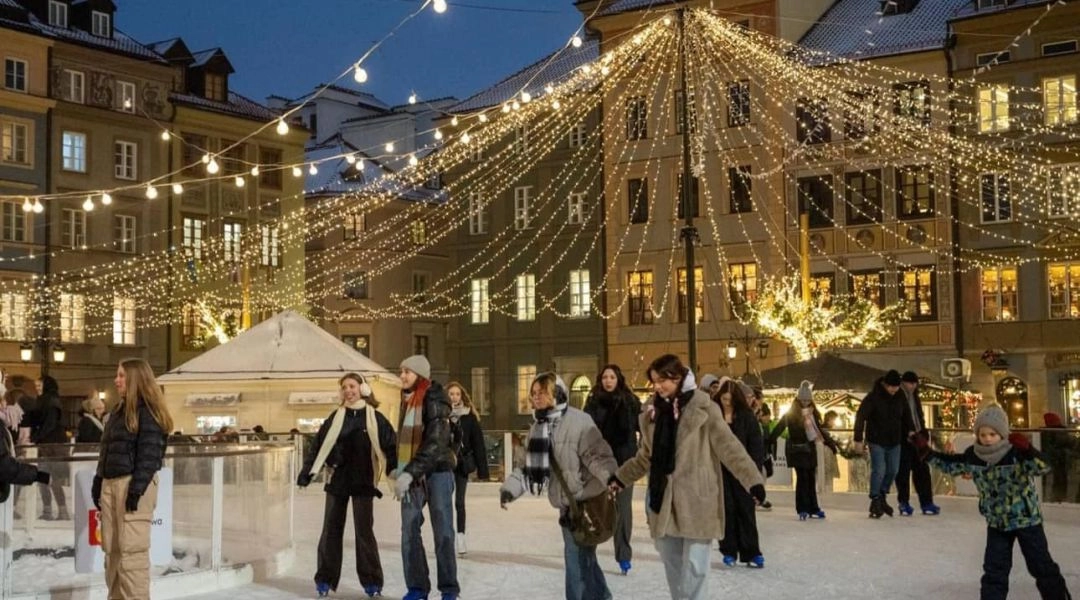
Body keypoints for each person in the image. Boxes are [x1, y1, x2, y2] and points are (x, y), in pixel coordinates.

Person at [609, 354, 765, 600]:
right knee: (673, 567)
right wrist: (620, 478)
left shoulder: (705, 408)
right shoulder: (653, 413)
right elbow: (645, 457)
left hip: (697, 500)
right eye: (655, 381)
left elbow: (729, 447)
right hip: (664, 500)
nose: (658, 386)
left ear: (678, 377)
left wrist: (753, 481)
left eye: (663, 380)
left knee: (694, 568)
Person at [921, 405, 1072, 600]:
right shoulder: (973, 455)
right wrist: (925, 452)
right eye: (983, 434)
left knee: (1041, 565)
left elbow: (1043, 467)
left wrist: (1028, 450)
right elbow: (951, 464)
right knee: (994, 570)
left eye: (992, 434)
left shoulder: (1015, 453)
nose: (987, 439)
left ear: (1002, 434)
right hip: (997, 523)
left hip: (1026, 521)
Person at [500, 372, 617, 600]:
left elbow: (597, 456)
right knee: (584, 559)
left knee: (577, 561)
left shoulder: (579, 421)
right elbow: (526, 466)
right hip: (567, 506)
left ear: (557, 393)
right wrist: (509, 489)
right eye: (533, 394)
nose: (536, 398)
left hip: (588, 502)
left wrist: (611, 477)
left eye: (542, 393)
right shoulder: (538, 427)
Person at [299, 373, 398, 598]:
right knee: (331, 531)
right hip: (338, 482)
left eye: (352, 386)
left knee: (364, 533)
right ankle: (324, 580)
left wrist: (395, 472)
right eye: (344, 387)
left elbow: (390, 445)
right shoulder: (336, 417)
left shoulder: (375, 418)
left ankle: (372, 583)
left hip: (363, 481)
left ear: (362, 389)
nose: (348, 391)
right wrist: (309, 472)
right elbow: (319, 445)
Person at [92, 359, 173, 600]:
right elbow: (106, 449)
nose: (116, 380)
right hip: (111, 484)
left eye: (121, 376)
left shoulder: (148, 412)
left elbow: (150, 454)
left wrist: (136, 489)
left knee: (131, 555)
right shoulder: (119, 411)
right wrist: (99, 479)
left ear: (136, 378)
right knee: (113, 553)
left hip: (132, 485)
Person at [392, 355, 459, 600]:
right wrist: (396, 468)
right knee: (409, 531)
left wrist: (410, 472)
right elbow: (403, 439)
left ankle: (449, 588)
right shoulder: (407, 400)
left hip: (438, 472)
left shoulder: (435, 397)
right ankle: (417, 587)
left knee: (443, 532)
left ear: (419, 375)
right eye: (401, 372)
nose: (402, 376)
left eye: (407, 372)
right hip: (413, 474)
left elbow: (436, 442)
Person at [582, 364, 641, 575]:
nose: (608, 381)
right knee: (598, 510)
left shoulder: (630, 402)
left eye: (612, 377)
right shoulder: (592, 403)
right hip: (599, 466)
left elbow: (643, 427)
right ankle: (589, 555)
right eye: (605, 377)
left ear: (618, 379)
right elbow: (584, 433)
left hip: (625, 465)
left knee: (623, 512)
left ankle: (624, 555)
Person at [713, 379, 766, 568]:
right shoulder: (714, 416)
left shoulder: (746, 416)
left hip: (742, 469)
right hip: (720, 471)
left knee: (746, 509)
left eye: (729, 399)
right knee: (726, 510)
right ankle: (728, 550)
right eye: (723, 399)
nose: (726, 403)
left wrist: (755, 472)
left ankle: (751, 551)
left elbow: (756, 444)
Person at [768, 380, 838, 520]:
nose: (805, 403)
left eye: (808, 400)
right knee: (802, 478)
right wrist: (769, 441)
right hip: (797, 450)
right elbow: (779, 428)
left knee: (811, 478)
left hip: (810, 450)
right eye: (803, 400)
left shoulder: (813, 414)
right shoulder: (791, 414)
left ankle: (813, 507)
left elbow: (819, 431)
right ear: (798, 399)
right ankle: (802, 508)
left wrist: (830, 443)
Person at [852, 369, 912, 519]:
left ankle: (882, 494)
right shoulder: (873, 398)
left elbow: (906, 415)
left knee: (893, 470)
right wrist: (858, 439)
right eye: (891, 386)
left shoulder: (900, 397)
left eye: (896, 387)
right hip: (876, 440)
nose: (894, 390)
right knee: (879, 469)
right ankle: (875, 498)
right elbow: (860, 417)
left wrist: (911, 430)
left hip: (895, 440)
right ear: (885, 384)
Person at [445, 381, 489, 557]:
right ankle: (446, 537)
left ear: (461, 397)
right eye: (451, 394)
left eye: (457, 394)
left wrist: (483, 470)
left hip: (462, 464)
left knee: (459, 502)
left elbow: (479, 444)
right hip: (445, 464)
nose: (454, 397)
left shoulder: (469, 418)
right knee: (444, 502)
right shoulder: (440, 416)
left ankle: (460, 536)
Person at [895, 371, 939, 516]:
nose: (913, 386)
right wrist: (905, 432)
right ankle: (904, 502)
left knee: (922, 470)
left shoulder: (915, 396)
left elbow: (918, 415)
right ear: (904, 383)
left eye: (915, 384)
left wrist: (923, 431)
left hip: (917, 438)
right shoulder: (898, 395)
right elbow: (897, 418)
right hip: (903, 440)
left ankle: (926, 502)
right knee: (903, 472)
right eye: (910, 383)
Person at [32, 374, 70, 520]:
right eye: (36, 386)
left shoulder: (52, 402)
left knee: (54, 480)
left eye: (39, 386)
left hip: (54, 447)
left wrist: (36, 437)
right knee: (43, 479)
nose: (37, 389)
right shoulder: (43, 401)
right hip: (45, 447)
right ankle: (47, 510)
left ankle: (62, 511)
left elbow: (49, 424)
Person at [1041, 412, 1074, 504]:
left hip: (1056, 460)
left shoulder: (1047, 433)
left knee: (1055, 481)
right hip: (1062, 460)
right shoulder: (1062, 431)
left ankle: (1055, 499)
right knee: (1061, 480)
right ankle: (1060, 499)